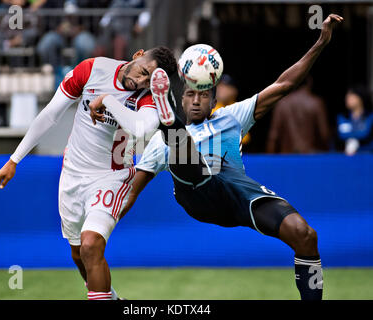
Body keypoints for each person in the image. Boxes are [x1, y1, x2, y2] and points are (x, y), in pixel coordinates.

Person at [103, 14, 342, 300]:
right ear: (181, 98)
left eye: (203, 96)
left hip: (237, 192)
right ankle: (167, 118)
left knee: (305, 234)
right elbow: (131, 192)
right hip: (197, 194)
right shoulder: (158, 144)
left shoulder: (231, 117)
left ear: (214, 100)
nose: (195, 100)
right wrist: (102, 225)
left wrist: (320, 42)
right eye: (189, 94)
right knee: (186, 153)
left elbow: (284, 85)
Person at [0, 46, 177, 300]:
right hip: (73, 174)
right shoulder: (93, 69)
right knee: (78, 254)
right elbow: (51, 114)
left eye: (148, 80)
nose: (140, 81)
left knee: (91, 245)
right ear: (138, 55)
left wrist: (106, 100)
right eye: (142, 72)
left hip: (112, 177)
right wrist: (14, 159)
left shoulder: (149, 95)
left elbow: (140, 128)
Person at [266, 76, 330, 153]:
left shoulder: (282, 104)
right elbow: (324, 134)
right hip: (310, 156)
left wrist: (270, 160)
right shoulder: (316, 103)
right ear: (309, 82)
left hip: (287, 157)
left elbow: (273, 137)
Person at [337, 86, 373, 155]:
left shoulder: (370, 116)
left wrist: (353, 137)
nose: (347, 99)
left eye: (351, 96)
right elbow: (340, 135)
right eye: (347, 96)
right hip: (346, 157)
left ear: (361, 98)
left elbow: (365, 134)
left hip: (367, 156)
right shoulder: (343, 117)